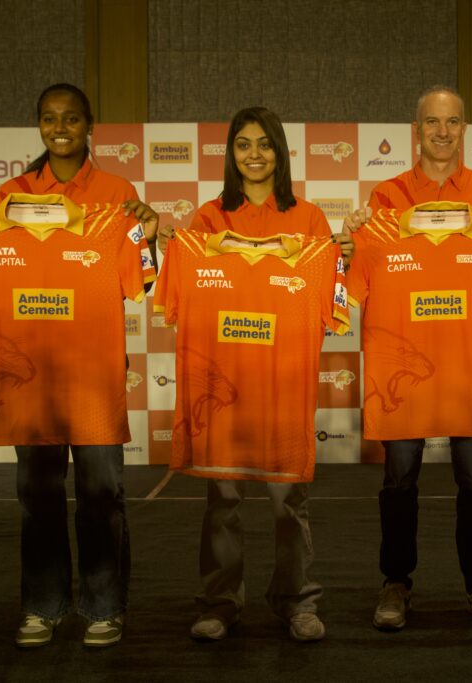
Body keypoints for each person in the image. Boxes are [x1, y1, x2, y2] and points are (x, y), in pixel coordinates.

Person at [0, 83, 160, 649]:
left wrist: (147, 234)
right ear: (38, 125)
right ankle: (43, 605)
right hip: (29, 380)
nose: (60, 127)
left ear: (90, 126)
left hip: (92, 375)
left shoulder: (117, 193)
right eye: (49, 118)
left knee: (101, 491)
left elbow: (141, 279)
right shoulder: (8, 194)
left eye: (72, 118)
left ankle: (104, 607)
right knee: (37, 493)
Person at [343, 86, 472, 635]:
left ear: (464, 129)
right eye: (433, 122)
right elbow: (357, 278)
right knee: (399, 480)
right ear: (416, 129)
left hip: (469, 368)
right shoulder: (384, 199)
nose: (443, 132)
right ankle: (395, 583)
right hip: (402, 370)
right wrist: (350, 242)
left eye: (452, 122)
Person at [179, 106, 346, 643]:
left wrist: (340, 257)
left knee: (286, 502)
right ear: (230, 154)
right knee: (222, 501)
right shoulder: (205, 221)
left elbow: (332, 299)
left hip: (282, 388)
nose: (254, 155)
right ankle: (219, 602)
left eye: (265, 144)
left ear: (281, 152)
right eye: (243, 145)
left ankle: (296, 600)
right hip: (224, 390)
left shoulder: (311, 221)